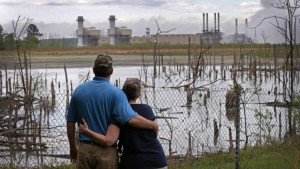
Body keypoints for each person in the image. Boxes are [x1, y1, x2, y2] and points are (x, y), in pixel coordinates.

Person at [66, 55, 158, 169]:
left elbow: (70, 122)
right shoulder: (117, 94)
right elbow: (130, 119)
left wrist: (73, 148)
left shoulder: (79, 90)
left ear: (94, 70)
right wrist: (152, 124)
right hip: (106, 151)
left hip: (84, 150)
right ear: (111, 71)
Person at [79, 78, 168, 169]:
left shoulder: (117, 112)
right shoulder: (147, 109)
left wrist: (87, 132)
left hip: (133, 162)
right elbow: (154, 131)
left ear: (123, 93)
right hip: (157, 159)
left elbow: (108, 140)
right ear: (138, 94)